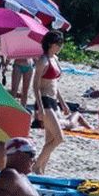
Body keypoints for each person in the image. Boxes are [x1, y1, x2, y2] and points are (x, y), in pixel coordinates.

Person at [32, 31, 67, 174]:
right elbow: (35, 86)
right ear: (50, 44)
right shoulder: (43, 60)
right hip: (44, 101)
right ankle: (36, 165)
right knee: (59, 138)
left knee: (50, 140)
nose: (60, 46)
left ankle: (41, 170)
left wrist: (63, 103)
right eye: (58, 44)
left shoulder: (55, 59)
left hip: (53, 101)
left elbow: (55, 85)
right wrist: (39, 107)